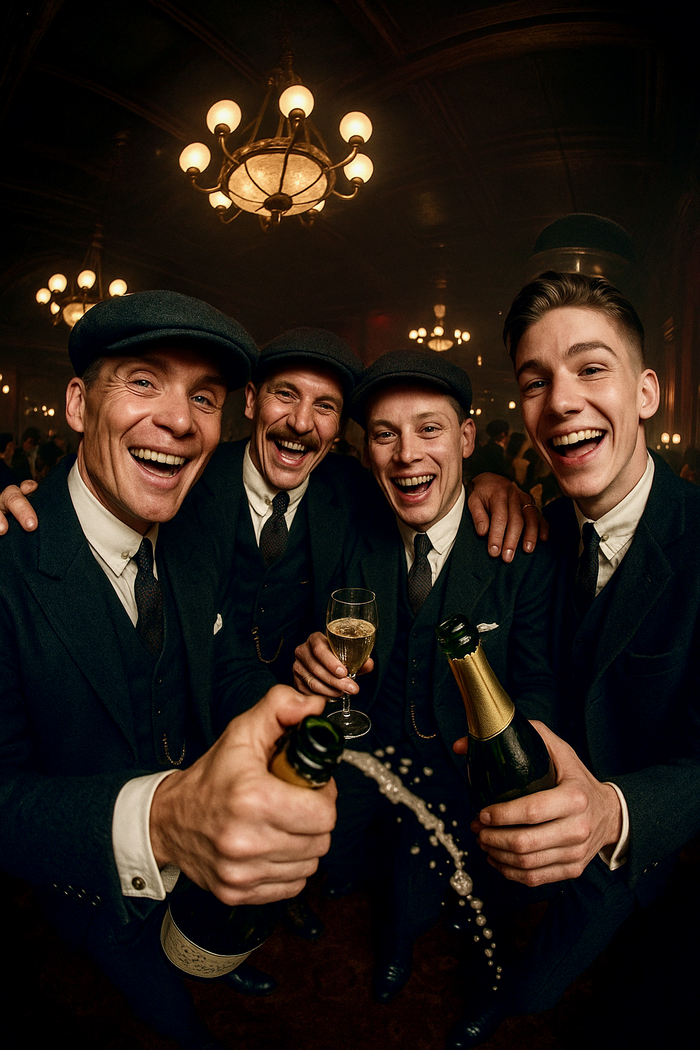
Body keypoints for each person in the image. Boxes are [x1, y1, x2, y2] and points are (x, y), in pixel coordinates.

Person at [0, 290, 337, 1050]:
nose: (180, 421)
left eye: (204, 398)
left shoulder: (193, 537)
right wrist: (157, 823)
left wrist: (282, 712)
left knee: (205, 953)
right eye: (144, 382)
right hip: (79, 893)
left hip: (199, 881)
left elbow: (221, 664)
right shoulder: (11, 561)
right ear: (79, 404)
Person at [448, 271, 700, 1048]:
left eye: (591, 368)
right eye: (536, 381)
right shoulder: (538, 531)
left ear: (647, 392)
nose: (560, 401)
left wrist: (614, 813)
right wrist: (481, 479)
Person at [292, 349, 558, 1006]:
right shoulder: (354, 532)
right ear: (367, 451)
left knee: (412, 907)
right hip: (370, 743)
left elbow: (539, 683)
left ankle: (403, 940)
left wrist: (516, 766)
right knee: (322, 863)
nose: (407, 454)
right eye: (385, 434)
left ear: (466, 437)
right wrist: (313, 658)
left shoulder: (519, 547)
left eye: (429, 429)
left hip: (462, 764)